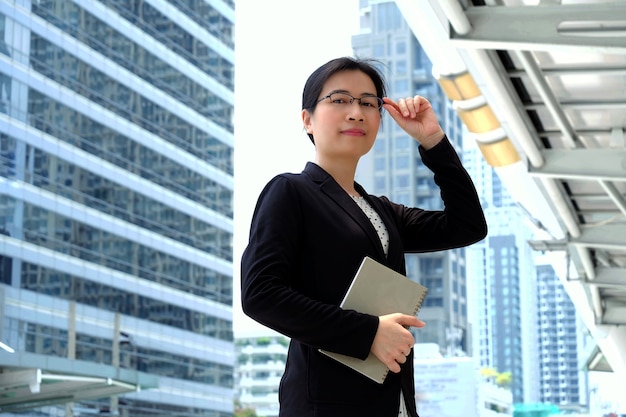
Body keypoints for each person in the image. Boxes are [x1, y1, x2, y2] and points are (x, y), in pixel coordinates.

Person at [240, 56, 487, 417]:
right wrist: (367, 332)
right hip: (324, 406)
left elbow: (467, 225)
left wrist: (433, 141)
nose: (356, 112)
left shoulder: (384, 212)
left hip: (393, 403)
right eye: (339, 100)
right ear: (307, 119)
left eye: (369, 103)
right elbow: (260, 294)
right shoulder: (290, 192)